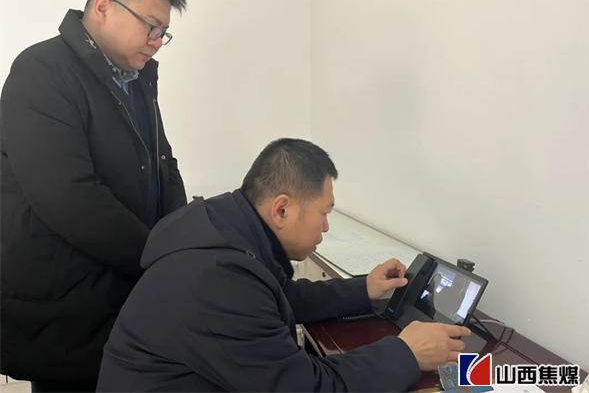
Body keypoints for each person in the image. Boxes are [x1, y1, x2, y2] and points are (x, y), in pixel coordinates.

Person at [96, 138, 469, 392]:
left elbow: (280, 297)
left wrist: (364, 289)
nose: (326, 227)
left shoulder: (224, 225)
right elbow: (307, 387)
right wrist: (405, 353)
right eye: (324, 213)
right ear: (282, 209)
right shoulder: (217, 280)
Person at [1, 0, 187, 392]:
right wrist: (158, 256)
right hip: (67, 308)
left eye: (163, 33)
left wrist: (184, 243)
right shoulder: (41, 71)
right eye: (150, 26)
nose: (156, 41)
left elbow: (163, 166)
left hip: (124, 294)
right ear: (103, 6)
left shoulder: (137, 80)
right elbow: (69, 198)